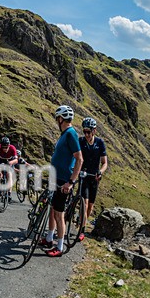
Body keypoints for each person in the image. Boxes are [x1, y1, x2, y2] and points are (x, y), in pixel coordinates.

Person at [41, 105, 83, 257]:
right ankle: (49, 238)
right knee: (53, 210)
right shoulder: (65, 134)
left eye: (57, 118)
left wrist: (71, 182)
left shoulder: (71, 134)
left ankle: (59, 247)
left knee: (59, 214)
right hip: (56, 177)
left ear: (60, 119)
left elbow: (79, 159)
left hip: (64, 180)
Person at [78, 117, 108, 240]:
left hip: (94, 178)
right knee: (84, 204)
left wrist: (100, 172)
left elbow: (105, 163)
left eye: (88, 132)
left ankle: (82, 221)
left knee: (90, 206)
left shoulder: (100, 143)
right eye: (84, 131)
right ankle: (82, 230)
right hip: (83, 176)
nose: (86, 134)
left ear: (94, 131)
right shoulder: (80, 141)